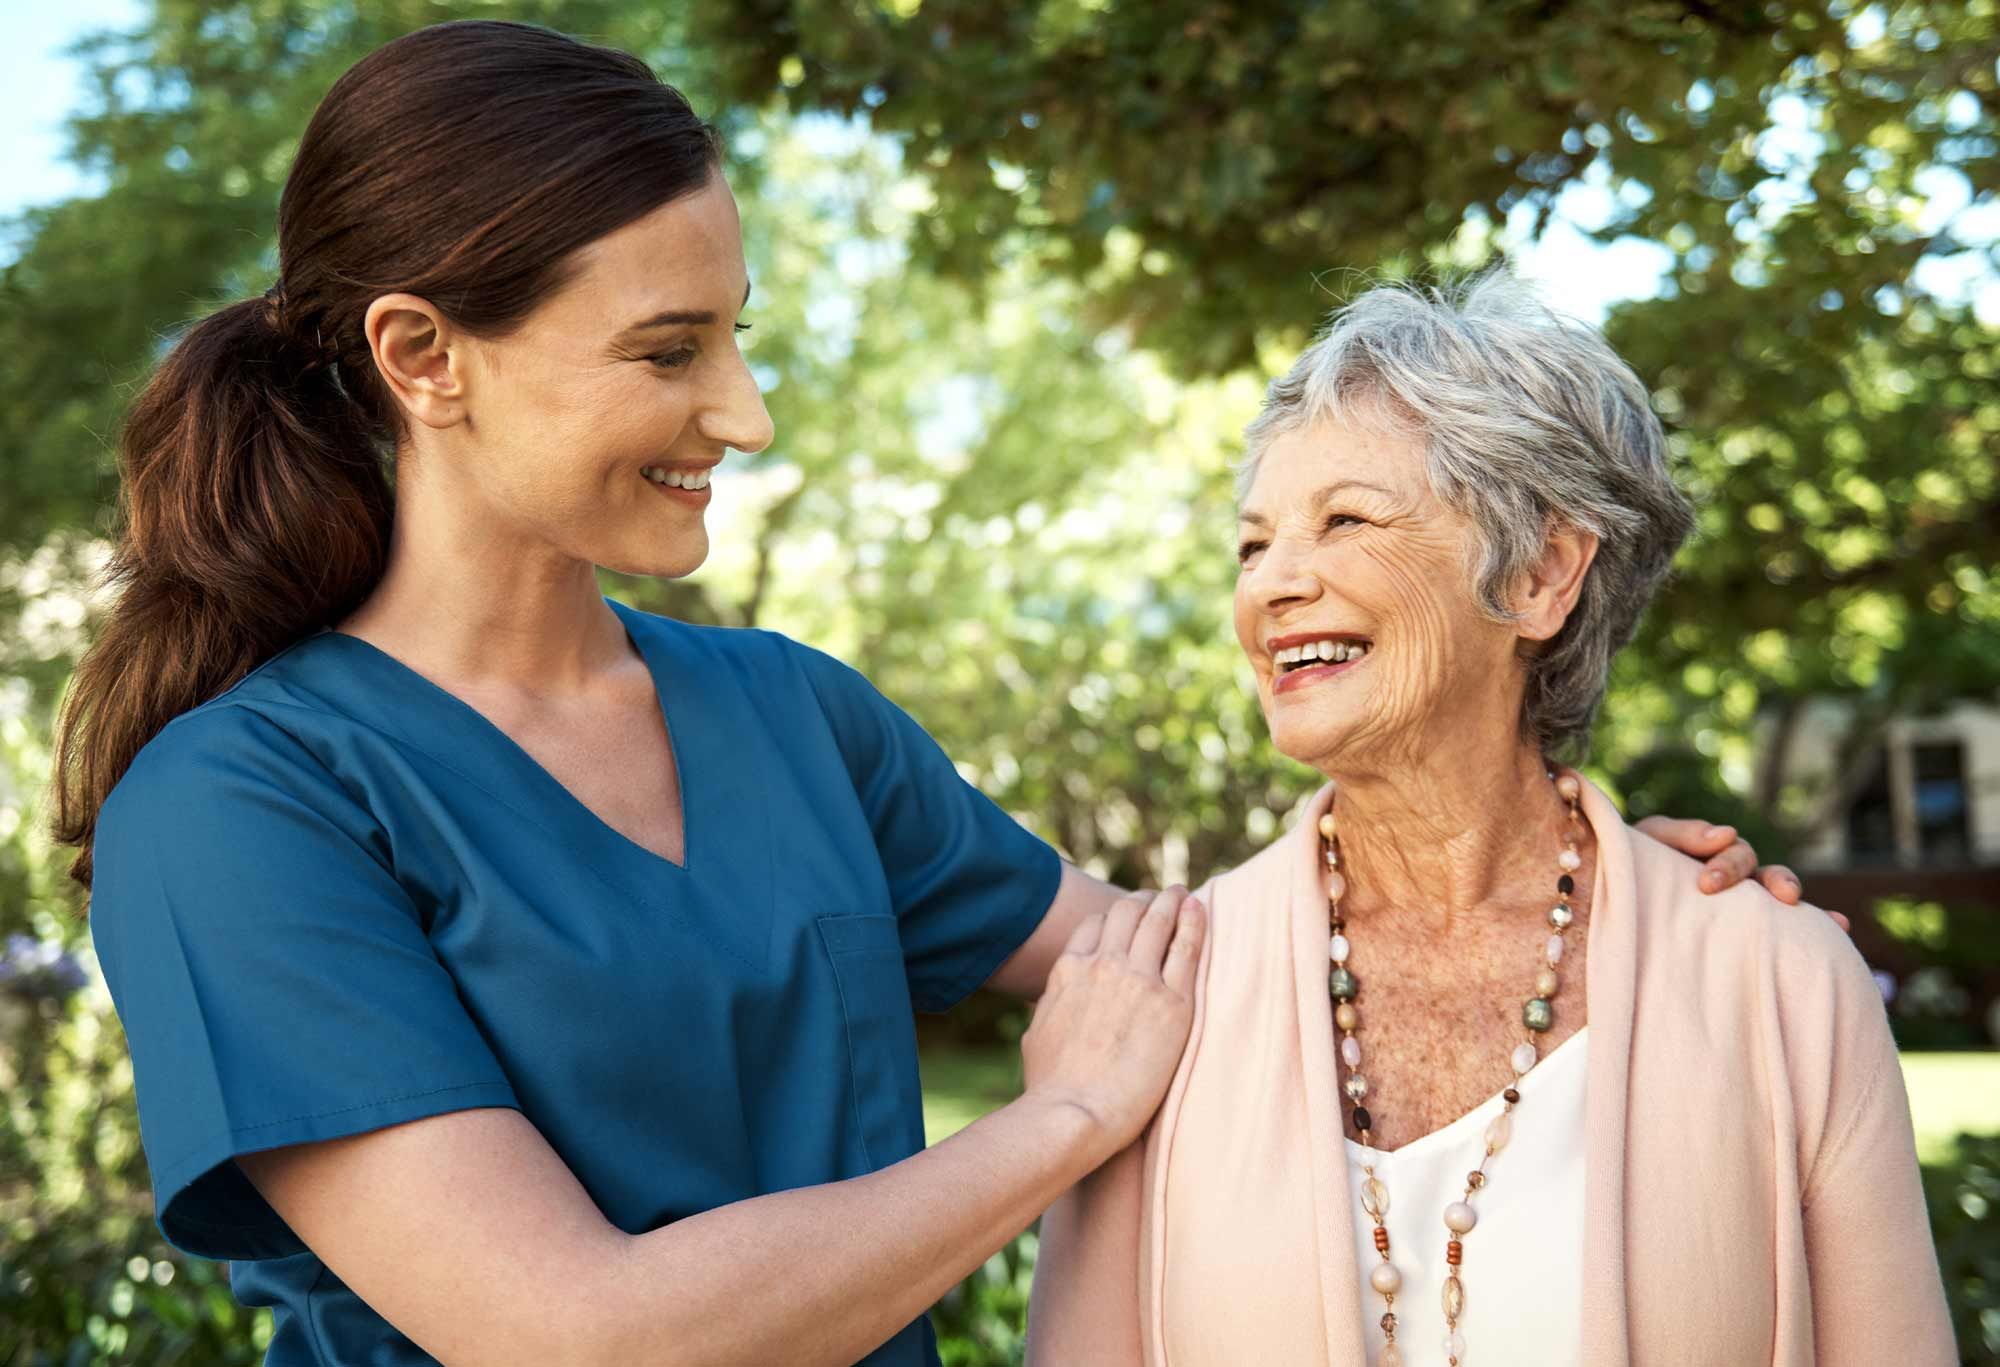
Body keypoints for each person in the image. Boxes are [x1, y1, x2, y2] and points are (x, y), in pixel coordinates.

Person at [50, 22, 1806, 1367]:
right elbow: (575, 1334)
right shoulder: (237, 806)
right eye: (671, 351)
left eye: (738, 335)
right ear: (425, 358)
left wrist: (1528, 885)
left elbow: (1202, 965)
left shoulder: (789, 717)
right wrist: (1057, 1125)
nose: (744, 412)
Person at [1025, 274, 1955, 1366]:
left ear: (1539, 573)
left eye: (1344, 520)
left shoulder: (1772, 975)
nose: (1270, 585)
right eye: (1251, 543)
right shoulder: (1157, 996)